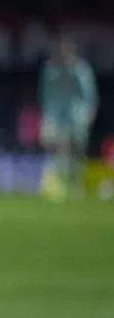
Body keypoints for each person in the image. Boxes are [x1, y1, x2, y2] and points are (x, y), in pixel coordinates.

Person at [38, 37, 98, 200]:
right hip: (55, 116)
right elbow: (44, 93)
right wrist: (45, 114)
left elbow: (89, 94)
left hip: (77, 117)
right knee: (57, 149)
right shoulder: (51, 69)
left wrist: (89, 113)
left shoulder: (81, 69)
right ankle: (58, 185)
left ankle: (75, 185)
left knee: (76, 153)